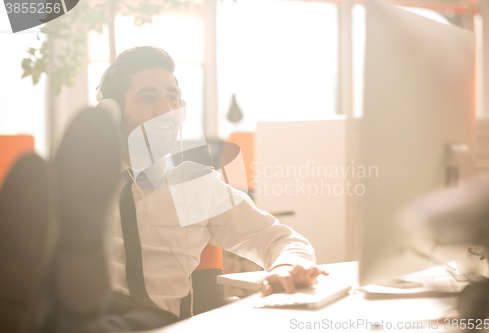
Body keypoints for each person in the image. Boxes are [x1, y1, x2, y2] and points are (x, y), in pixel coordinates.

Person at [96, 45, 326, 330]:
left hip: (163, 326)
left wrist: (287, 266)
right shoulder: (79, 185)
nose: (166, 110)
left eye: (173, 97)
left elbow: (280, 239)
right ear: (112, 113)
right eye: (147, 97)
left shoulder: (194, 186)